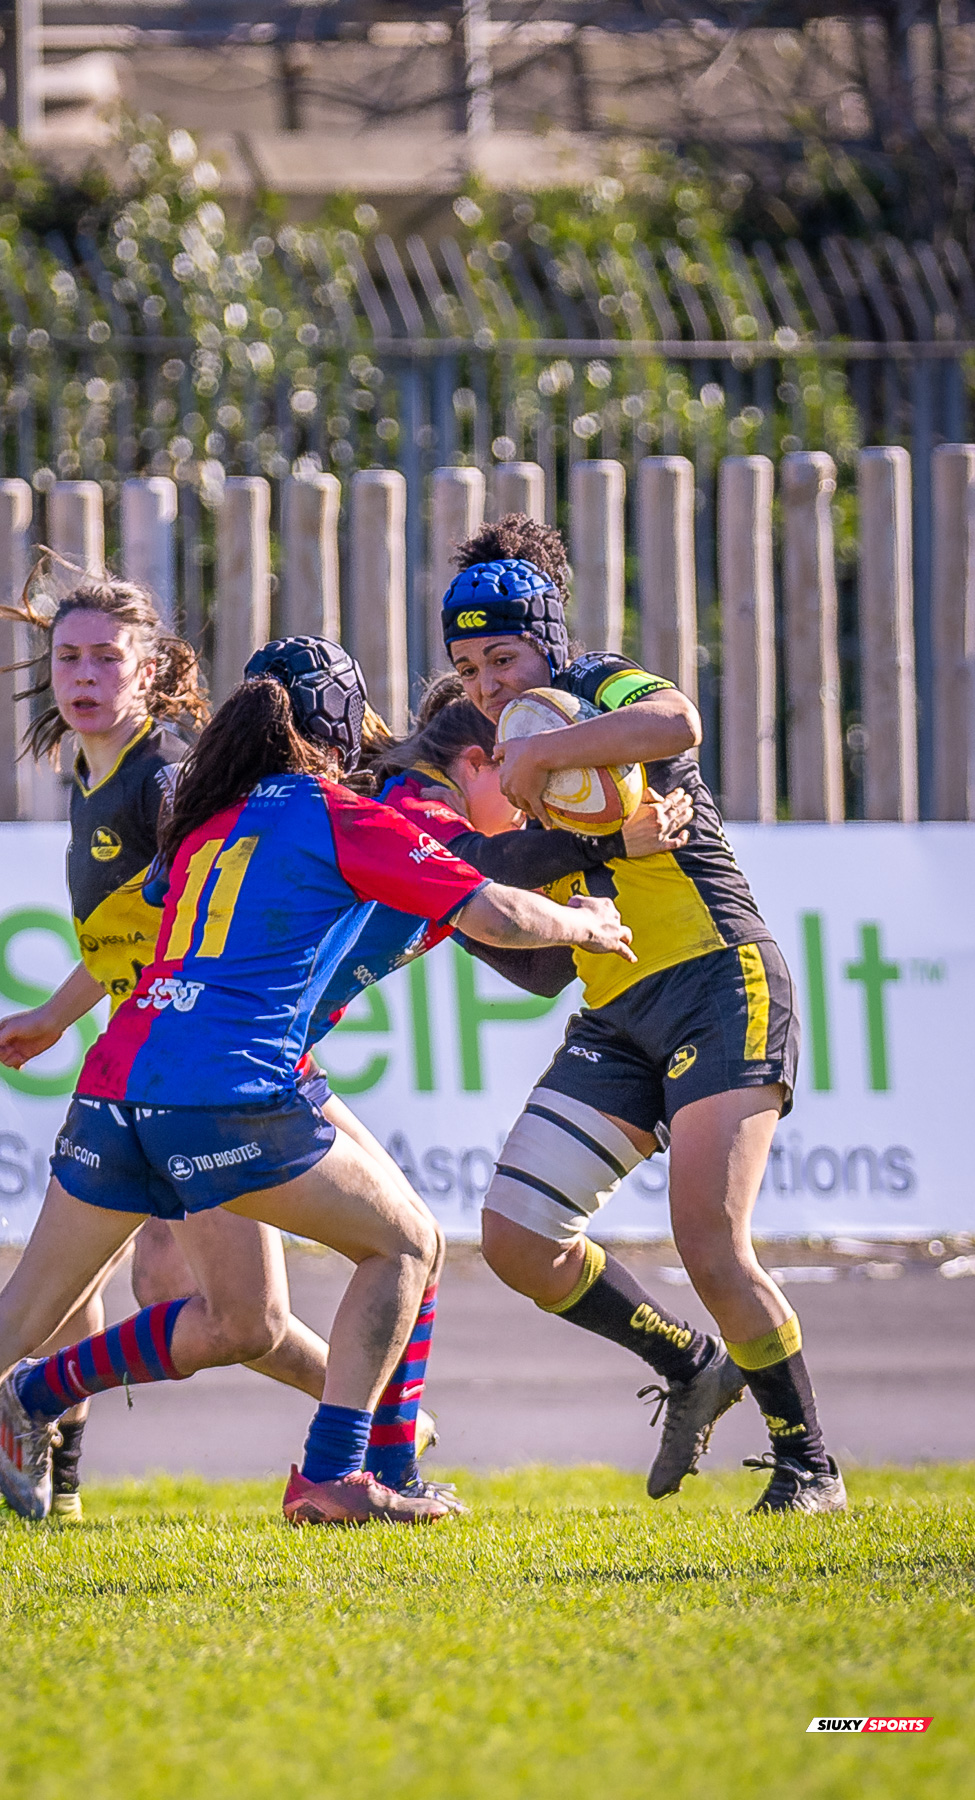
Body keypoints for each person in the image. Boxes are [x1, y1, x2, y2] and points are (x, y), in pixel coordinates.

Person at [0, 639, 633, 1535]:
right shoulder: (337, 812)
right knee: (404, 1245)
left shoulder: (204, 818)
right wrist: (583, 921)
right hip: (231, 1085)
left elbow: (144, 937)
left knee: (24, 1312)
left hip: (119, 1081)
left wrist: (59, 1015)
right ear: (334, 725)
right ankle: (335, 1474)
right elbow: (494, 910)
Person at [441, 515, 845, 1515]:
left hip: (719, 979)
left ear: (549, 640)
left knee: (707, 1239)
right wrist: (608, 843)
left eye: (503, 655)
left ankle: (807, 1465)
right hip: (616, 1014)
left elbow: (674, 726)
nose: (488, 681)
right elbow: (506, 902)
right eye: (467, 664)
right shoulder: (500, 744)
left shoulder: (594, 688)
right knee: (514, 1234)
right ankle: (688, 1365)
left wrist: (546, 761)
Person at [0, 576, 332, 1521]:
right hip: (139, 1060)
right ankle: (58, 1484)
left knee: (204, 1299)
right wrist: (58, 1014)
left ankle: (377, 1417)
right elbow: (127, 937)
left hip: (195, 1066)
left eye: (105, 657)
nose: (83, 675)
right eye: (68, 657)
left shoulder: (164, 772)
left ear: (151, 670)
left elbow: (212, 901)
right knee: (97, 1280)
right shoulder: (92, 780)